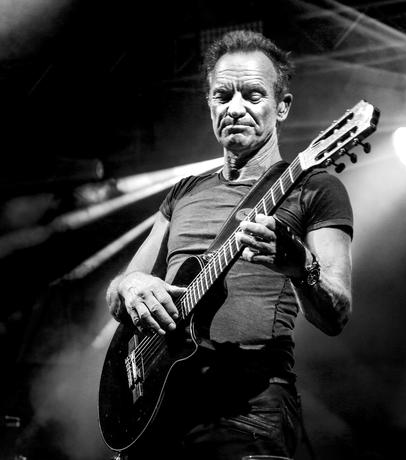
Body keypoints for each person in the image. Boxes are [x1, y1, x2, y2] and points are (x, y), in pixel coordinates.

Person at [106, 30, 353, 460]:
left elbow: (337, 313)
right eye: (222, 96)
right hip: (162, 408)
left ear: (282, 106)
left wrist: (301, 267)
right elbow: (118, 293)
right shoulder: (184, 191)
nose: (234, 108)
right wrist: (131, 286)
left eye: (253, 95)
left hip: (250, 410)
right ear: (209, 104)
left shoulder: (315, 188)